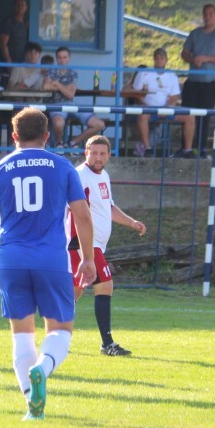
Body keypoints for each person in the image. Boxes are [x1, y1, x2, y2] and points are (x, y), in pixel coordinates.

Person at [0, 107, 96, 420]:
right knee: (61, 329)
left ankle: (33, 407)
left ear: (14, 136)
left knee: (21, 335)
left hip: (12, 259)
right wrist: (88, 258)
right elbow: (82, 215)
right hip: (52, 258)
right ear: (46, 136)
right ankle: (43, 367)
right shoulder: (63, 166)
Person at [72, 135, 145, 356]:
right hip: (84, 243)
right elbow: (72, 209)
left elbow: (109, 207)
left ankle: (56, 333)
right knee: (104, 285)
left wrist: (131, 222)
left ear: (109, 155)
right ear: (86, 153)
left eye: (102, 153)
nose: (98, 157)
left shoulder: (103, 176)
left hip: (95, 244)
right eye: (93, 153)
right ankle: (107, 344)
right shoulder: (79, 176)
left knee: (74, 292)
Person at [181, 4, 215, 155]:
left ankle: (201, 148)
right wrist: (193, 59)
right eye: (205, 14)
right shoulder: (195, 33)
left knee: (204, 116)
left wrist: (207, 59)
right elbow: (184, 53)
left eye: (211, 14)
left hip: (211, 83)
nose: (207, 16)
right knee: (187, 114)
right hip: (193, 81)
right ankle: (185, 148)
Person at [129, 47, 196, 158]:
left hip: (167, 109)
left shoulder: (172, 76)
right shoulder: (144, 73)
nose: (159, 60)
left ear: (166, 60)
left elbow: (174, 96)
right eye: (157, 58)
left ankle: (187, 149)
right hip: (148, 109)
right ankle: (147, 148)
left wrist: (167, 107)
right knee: (142, 116)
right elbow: (135, 92)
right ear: (154, 59)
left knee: (190, 117)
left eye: (162, 58)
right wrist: (143, 104)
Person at [44, 46, 104, 154]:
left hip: (72, 105)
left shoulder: (73, 73)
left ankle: (73, 143)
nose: (62, 60)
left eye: (65, 57)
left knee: (99, 124)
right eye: (59, 58)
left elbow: (70, 95)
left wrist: (57, 84)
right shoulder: (51, 72)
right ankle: (59, 143)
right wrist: (65, 88)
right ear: (56, 59)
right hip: (56, 105)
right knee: (58, 123)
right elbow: (45, 87)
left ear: (69, 58)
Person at [0, 0, 29, 70]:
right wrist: (8, 61)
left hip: (23, 60)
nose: (20, 7)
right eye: (18, 5)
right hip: (11, 60)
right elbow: (3, 43)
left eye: (22, 5)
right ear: (14, 7)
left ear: (26, 7)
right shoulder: (8, 22)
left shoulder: (27, 22)